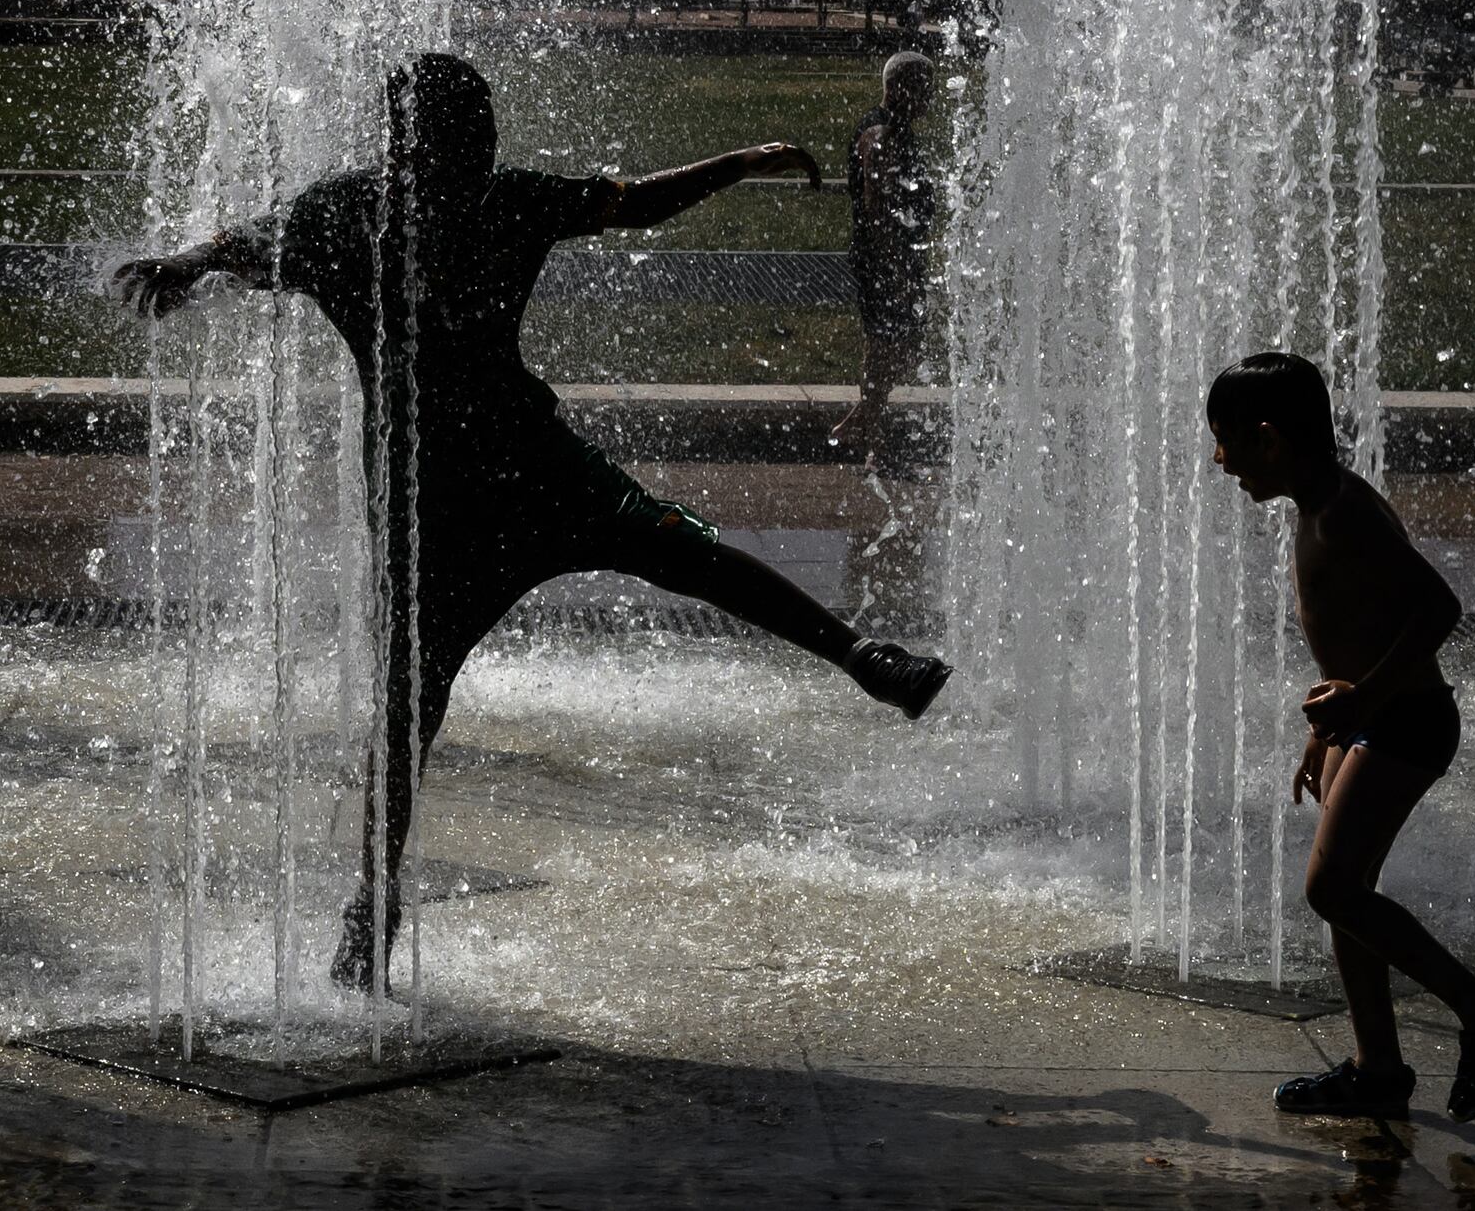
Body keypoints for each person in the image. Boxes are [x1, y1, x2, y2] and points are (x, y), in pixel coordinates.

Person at [115, 51, 950, 994]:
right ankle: (372, 904)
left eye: (483, 132)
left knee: (679, 551)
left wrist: (741, 162)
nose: (482, 147)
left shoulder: (488, 199)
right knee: (406, 708)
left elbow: (634, 202)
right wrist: (185, 264)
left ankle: (863, 657)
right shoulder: (353, 211)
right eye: (465, 133)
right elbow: (244, 242)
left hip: (530, 471)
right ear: (414, 141)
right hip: (438, 511)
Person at [1208, 347, 1475, 1127]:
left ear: (1268, 439)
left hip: (1407, 720)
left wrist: (1363, 700)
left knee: (1331, 889)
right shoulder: (1318, 504)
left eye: (1226, 440)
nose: (1220, 460)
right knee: (1349, 894)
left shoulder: (1344, 512)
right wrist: (1329, 728)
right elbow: (1358, 627)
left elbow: (1439, 608)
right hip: (1373, 719)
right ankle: (1377, 1068)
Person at [843, 50, 944, 472]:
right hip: (885, 261)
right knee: (884, 347)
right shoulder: (881, 132)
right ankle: (874, 444)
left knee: (901, 346)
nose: (929, 100)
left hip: (897, 259)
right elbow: (878, 206)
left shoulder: (897, 129)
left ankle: (864, 420)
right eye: (923, 90)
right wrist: (895, 267)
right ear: (899, 88)